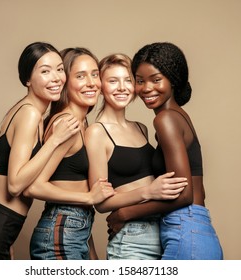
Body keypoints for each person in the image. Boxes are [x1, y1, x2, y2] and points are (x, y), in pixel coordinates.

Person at [0, 42, 83, 259]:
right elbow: (14, 185)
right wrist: (55, 140)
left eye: (60, 69)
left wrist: (4, 240)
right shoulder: (29, 114)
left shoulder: (28, 112)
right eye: (45, 71)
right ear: (27, 79)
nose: (56, 78)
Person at [107, 42, 223, 260]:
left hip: (186, 229)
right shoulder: (179, 116)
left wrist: (124, 213)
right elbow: (197, 192)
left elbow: (185, 195)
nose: (146, 88)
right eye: (140, 81)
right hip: (197, 230)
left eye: (156, 79)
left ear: (173, 80)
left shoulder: (165, 119)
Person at [85, 53, 188, 259]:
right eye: (113, 81)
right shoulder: (96, 132)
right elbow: (101, 202)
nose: (122, 87)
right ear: (101, 87)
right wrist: (148, 191)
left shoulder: (141, 128)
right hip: (132, 238)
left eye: (128, 80)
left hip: (164, 229)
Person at [24, 47, 115, 260]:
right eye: (81, 76)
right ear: (65, 82)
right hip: (60, 232)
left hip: (74, 230)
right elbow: (34, 186)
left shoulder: (81, 122)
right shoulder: (67, 123)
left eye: (95, 74)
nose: (92, 83)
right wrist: (88, 197)